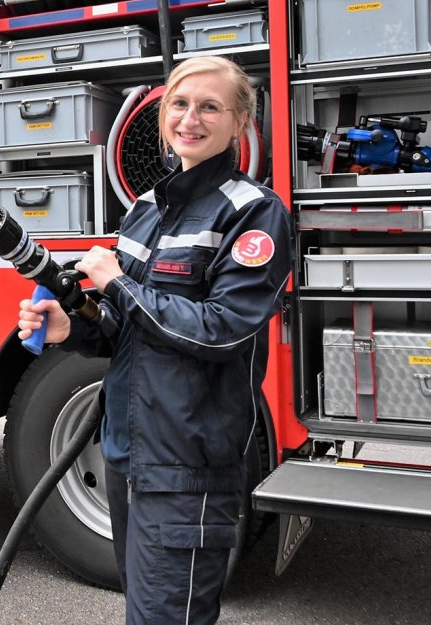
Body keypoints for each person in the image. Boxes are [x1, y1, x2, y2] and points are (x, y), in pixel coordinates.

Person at [17, 55, 291, 624]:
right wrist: (77, 327)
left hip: (187, 464)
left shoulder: (255, 214)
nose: (191, 118)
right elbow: (130, 330)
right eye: (180, 104)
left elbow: (220, 332)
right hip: (127, 455)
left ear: (240, 122)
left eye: (210, 106)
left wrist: (115, 280)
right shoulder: (145, 208)